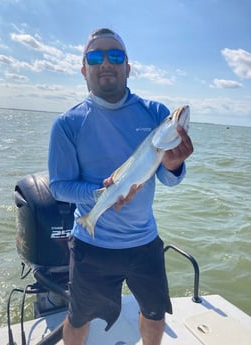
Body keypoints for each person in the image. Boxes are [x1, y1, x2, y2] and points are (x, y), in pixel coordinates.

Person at [48, 28, 193, 345]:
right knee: (79, 317)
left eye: (115, 56)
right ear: (84, 68)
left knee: (155, 314)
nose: (106, 63)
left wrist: (173, 164)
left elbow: (168, 178)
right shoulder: (68, 123)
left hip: (144, 242)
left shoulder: (154, 113)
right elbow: (59, 187)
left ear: (127, 67)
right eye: (95, 56)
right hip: (91, 244)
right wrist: (99, 195)